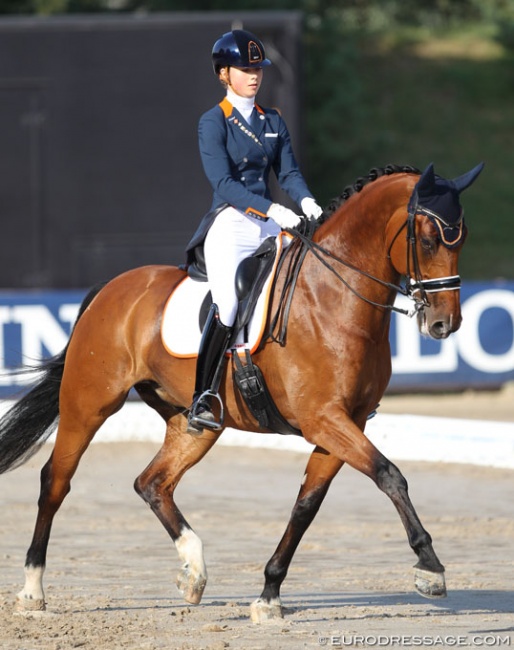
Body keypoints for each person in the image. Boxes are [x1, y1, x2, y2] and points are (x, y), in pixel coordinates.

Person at [185, 28, 323, 433]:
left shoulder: (272, 120)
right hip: (230, 222)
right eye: (245, 68)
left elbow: (290, 173)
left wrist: (307, 201)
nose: (254, 75)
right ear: (224, 73)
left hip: (269, 223)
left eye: (257, 68)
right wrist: (272, 208)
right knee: (228, 306)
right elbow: (223, 184)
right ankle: (203, 397)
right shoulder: (213, 122)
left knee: (301, 291)